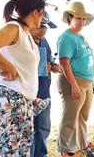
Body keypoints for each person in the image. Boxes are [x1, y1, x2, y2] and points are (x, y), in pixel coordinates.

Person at [0, 0, 45, 156]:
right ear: (36, 12)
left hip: (24, 100)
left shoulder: (26, 33)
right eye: (42, 14)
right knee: (11, 150)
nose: (42, 18)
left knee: (23, 150)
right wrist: (8, 67)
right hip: (12, 96)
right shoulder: (13, 28)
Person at [56, 1, 94, 157]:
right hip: (74, 81)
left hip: (87, 82)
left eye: (83, 19)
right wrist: (73, 85)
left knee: (82, 116)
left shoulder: (81, 36)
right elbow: (64, 62)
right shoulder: (66, 37)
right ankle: (66, 150)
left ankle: (82, 144)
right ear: (70, 18)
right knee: (70, 117)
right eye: (78, 18)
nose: (81, 22)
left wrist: (91, 83)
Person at [29, 11, 60, 157]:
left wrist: (53, 66)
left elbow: (48, 60)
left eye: (46, 27)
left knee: (43, 128)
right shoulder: (25, 41)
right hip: (29, 94)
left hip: (44, 92)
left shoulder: (45, 41)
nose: (43, 30)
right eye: (41, 26)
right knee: (29, 130)